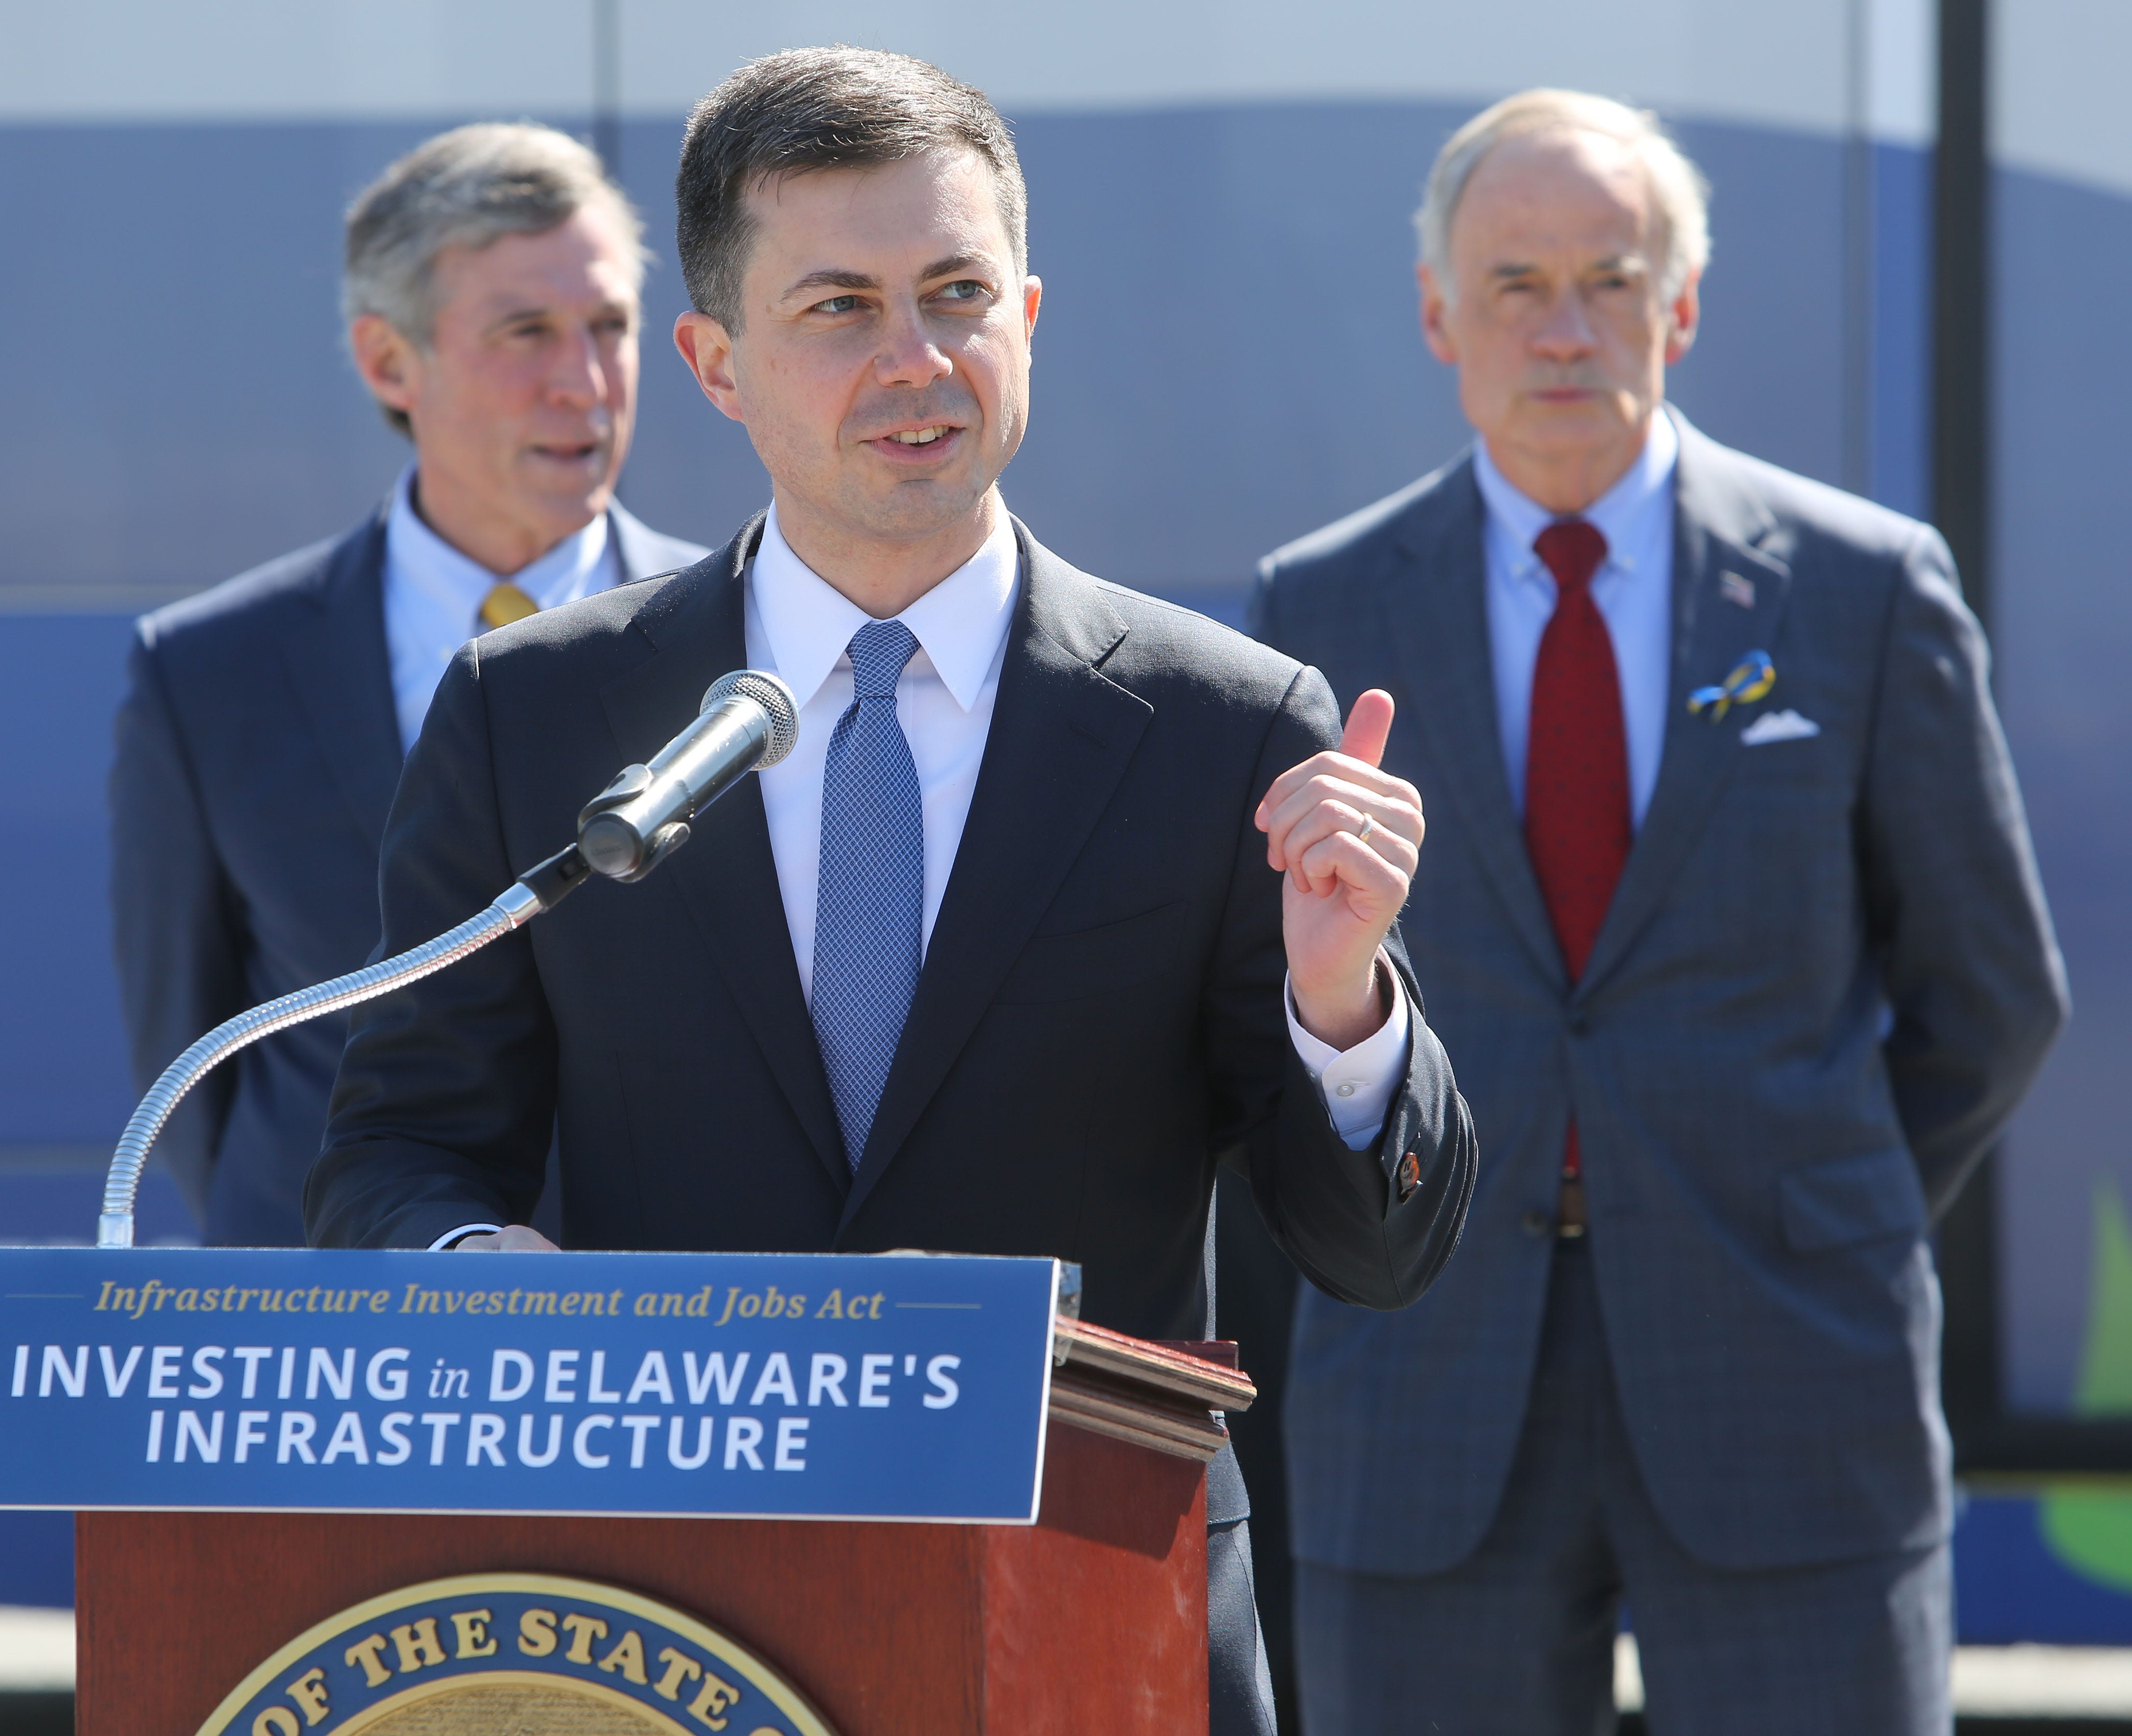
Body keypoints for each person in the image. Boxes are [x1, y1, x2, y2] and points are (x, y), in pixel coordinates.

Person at [307, 48, 1476, 1735]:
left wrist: (1346, 1007)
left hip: (1092, 1620)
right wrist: (484, 1267)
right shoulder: (539, 714)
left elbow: (1374, 1253)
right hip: (661, 1623)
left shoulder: (1231, 724)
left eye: (956, 293)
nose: (915, 361)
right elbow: (396, 1147)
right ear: (712, 361)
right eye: (839, 307)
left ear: (1031, 313)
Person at [1254, 90, 2067, 1736]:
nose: (1565, 329)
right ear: (1437, 315)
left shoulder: (1863, 588)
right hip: (1429, 1386)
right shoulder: (1318, 608)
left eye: (1612, 280)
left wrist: (1808, 1206)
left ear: (1682, 306)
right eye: (1514, 284)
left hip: (1788, 1379)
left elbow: (1989, 995)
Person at [110, 124, 707, 1247]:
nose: (582, 382)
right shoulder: (207, 671)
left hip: (654, 1333)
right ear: (390, 361)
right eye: (525, 332)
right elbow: (195, 1072)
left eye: (609, 329)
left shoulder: (744, 641)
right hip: (334, 1339)